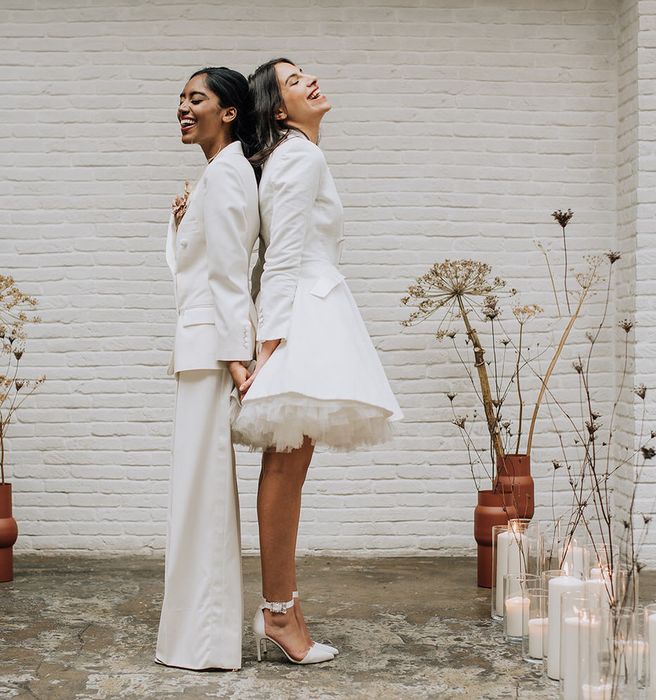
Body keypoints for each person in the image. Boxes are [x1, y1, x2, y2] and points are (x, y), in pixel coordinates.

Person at [231, 58, 402, 665]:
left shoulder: (291, 157)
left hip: (306, 307)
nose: (310, 80)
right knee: (286, 470)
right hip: (301, 312)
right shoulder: (301, 157)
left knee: (289, 468)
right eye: (294, 79)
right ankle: (279, 612)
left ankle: (283, 607)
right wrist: (270, 346)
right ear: (279, 109)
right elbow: (282, 255)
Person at [155, 66, 259, 671]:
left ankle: (206, 641)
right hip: (202, 346)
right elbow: (197, 269)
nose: (183, 108)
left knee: (204, 493)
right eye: (181, 100)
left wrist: (235, 357)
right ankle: (196, 636)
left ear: (229, 112)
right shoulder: (216, 175)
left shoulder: (228, 174)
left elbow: (228, 275)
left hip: (212, 350)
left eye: (197, 99)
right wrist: (182, 219)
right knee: (195, 494)